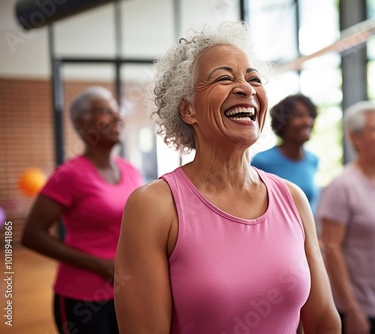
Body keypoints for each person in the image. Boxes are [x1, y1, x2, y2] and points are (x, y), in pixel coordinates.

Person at [114, 21, 341, 334]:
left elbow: (324, 322)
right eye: (223, 78)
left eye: (254, 79)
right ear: (188, 110)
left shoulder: (292, 198)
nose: (246, 88)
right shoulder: (154, 206)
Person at [21, 86, 143, 334]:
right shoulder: (69, 175)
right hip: (82, 296)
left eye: (116, 110)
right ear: (82, 122)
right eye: (105, 111)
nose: (117, 117)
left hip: (125, 290)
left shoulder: (130, 170)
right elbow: (32, 235)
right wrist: (101, 265)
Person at [316, 101, 375, 334]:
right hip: (353, 304)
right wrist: (351, 308)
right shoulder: (342, 186)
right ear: (355, 138)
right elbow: (332, 249)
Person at [251, 94, 320, 212]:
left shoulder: (313, 160)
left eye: (310, 115)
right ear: (283, 123)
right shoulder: (261, 161)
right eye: (299, 116)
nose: (307, 121)